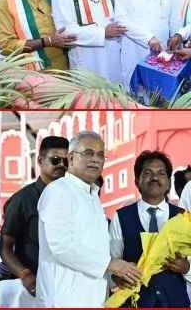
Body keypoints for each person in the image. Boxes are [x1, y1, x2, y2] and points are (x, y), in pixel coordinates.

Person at [37, 131, 141, 307]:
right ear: (70, 158)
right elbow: (61, 246)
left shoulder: (92, 195)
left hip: (92, 297)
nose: (95, 159)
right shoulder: (58, 191)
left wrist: (114, 276)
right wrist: (111, 264)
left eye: (101, 155)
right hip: (64, 298)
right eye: (88, 153)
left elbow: (96, 251)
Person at [109, 151, 190, 307]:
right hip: (136, 302)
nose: (154, 178)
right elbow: (112, 259)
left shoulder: (183, 217)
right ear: (137, 181)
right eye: (148, 173)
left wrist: (186, 268)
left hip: (175, 302)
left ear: (168, 183)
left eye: (161, 173)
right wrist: (116, 277)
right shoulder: (122, 217)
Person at [0, 136, 69, 306]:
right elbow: (5, 247)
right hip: (33, 288)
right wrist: (25, 275)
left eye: (66, 161)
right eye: (55, 160)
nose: (61, 165)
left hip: (66, 286)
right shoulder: (22, 200)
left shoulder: (73, 198)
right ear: (40, 160)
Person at [115, 0, 175, 90]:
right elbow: (121, 21)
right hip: (134, 52)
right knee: (136, 98)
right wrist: (148, 38)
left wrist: (176, 38)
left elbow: (173, 20)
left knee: (159, 97)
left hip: (162, 54)